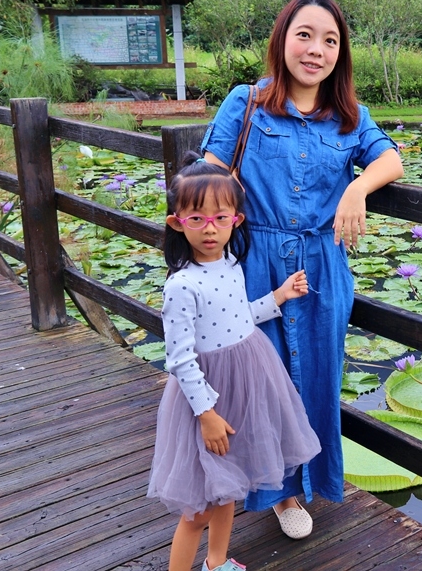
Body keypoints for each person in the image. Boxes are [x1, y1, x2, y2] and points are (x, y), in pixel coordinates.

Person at [200, 0, 404, 536]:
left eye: (330, 40)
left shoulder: (350, 117)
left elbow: (391, 158)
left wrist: (358, 187)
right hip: (255, 262)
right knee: (257, 381)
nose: (316, 50)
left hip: (321, 267)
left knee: (314, 377)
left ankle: (297, 490)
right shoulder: (245, 103)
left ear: (341, 53)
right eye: (305, 35)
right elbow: (210, 170)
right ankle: (265, 489)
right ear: (283, 39)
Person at [148, 154, 321, 571]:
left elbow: (240, 316)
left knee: (230, 489)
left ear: (236, 221)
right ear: (177, 223)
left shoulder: (231, 265)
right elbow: (180, 358)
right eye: (197, 219)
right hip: (206, 397)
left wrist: (278, 297)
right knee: (199, 508)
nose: (210, 229)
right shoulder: (181, 285)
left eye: (219, 218)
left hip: (247, 382)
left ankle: (217, 562)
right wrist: (206, 414)